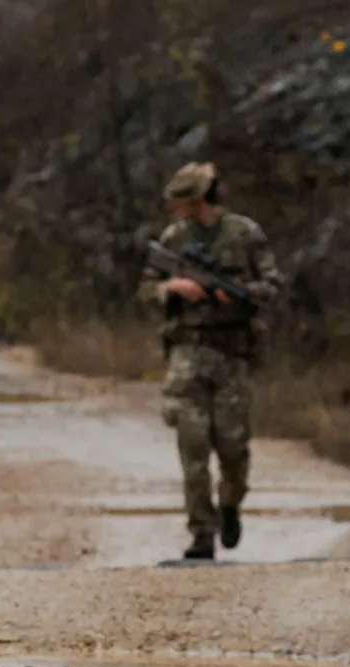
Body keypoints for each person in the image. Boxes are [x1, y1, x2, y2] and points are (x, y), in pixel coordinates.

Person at [138, 163, 279, 561]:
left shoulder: (245, 234)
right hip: (187, 355)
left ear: (198, 200)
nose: (176, 210)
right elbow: (147, 288)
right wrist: (172, 288)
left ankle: (230, 506)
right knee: (192, 446)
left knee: (234, 449)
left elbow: (271, 286)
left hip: (232, 355)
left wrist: (234, 295)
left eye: (182, 202)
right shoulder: (174, 239)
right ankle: (202, 533)